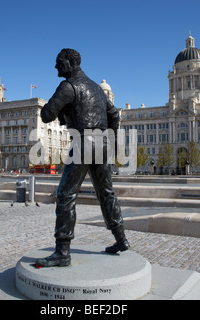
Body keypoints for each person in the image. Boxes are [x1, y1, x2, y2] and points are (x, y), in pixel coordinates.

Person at [35, 48, 129, 268]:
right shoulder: (97, 88)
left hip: (83, 142)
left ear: (70, 62)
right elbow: (114, 115)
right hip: (103, 143)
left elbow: (46, 114)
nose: (56, 66)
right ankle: (121, 239)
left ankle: (62, 252)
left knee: (66, 195)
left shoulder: (68, 86)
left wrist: (61, 110)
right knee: (106, 193)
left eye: (59, 62)